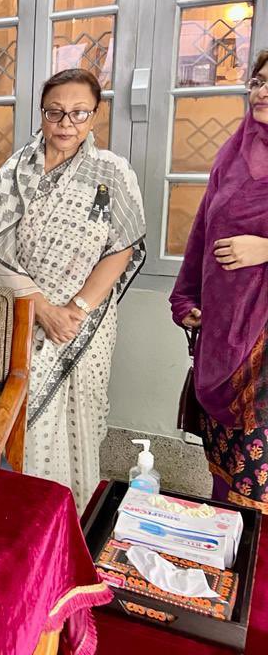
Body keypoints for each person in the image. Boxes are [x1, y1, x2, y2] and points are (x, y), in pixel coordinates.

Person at [0, 68, 145, 511]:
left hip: (85, 325)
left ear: (95, 115)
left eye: (78, 113)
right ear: (41, 114)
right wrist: (44, 309)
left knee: (81, 421)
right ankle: (25, 519)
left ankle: (74, 519)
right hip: (26, 317)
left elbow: (122, 247)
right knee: (23, 421)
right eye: (55, 112)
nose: (66, 123)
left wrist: (75, 308)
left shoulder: (112, 173)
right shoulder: (14, 172)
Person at [170, 49, 268, 512]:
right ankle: (232, 570)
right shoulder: (234, 153)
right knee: (228, 469)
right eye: (258, 80)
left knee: (260, 479)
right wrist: (185, 294)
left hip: (263, 346)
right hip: (225, 335)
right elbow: (203, 229)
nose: (262, 91)